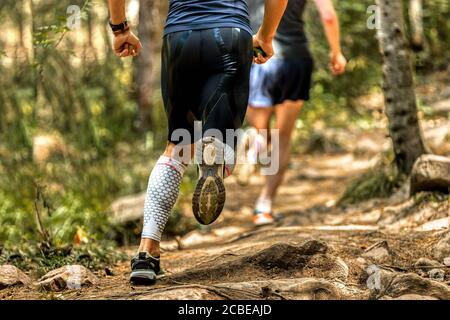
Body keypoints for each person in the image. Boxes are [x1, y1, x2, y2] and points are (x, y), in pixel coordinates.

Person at [107, 0, 288, 284]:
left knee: (177, 146)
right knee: (224, 135)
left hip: (181, 37)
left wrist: (120, 28)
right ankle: (214, 149)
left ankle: (146, 252)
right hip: (231, 34)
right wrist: (266, 35)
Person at [242, 0, 347, 226]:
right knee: (282, 138)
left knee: (261, 130)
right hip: (295, 59)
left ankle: (255, 142)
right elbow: (327, 15)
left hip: (256, 56)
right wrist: (336, 53)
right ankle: (264, 205)